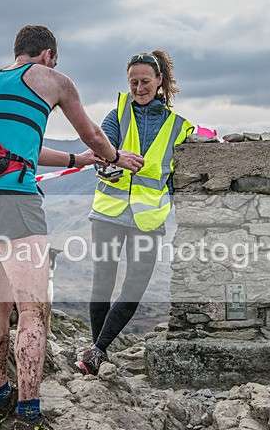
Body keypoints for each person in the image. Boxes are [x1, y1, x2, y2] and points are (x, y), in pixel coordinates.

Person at [0, 25, 144, 430]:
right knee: (34, 310)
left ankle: (1, 396)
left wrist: (78, 161)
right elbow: (94, 133)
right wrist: (115, 157)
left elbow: (21, 149)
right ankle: (30, 416)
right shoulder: (54, 80)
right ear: (49, 55)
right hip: (12, 203)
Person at [75, 50, 194, 376]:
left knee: (134, 289)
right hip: (109, 213)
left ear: (159, 81)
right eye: (133, 82)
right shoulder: (116, 116)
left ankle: (97, 349)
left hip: (148, 219)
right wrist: (107, 167)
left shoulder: (179, 128)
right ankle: (97, 353)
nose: (139, 88)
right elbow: (103, 151)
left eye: (145, 81)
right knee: (103, 284)